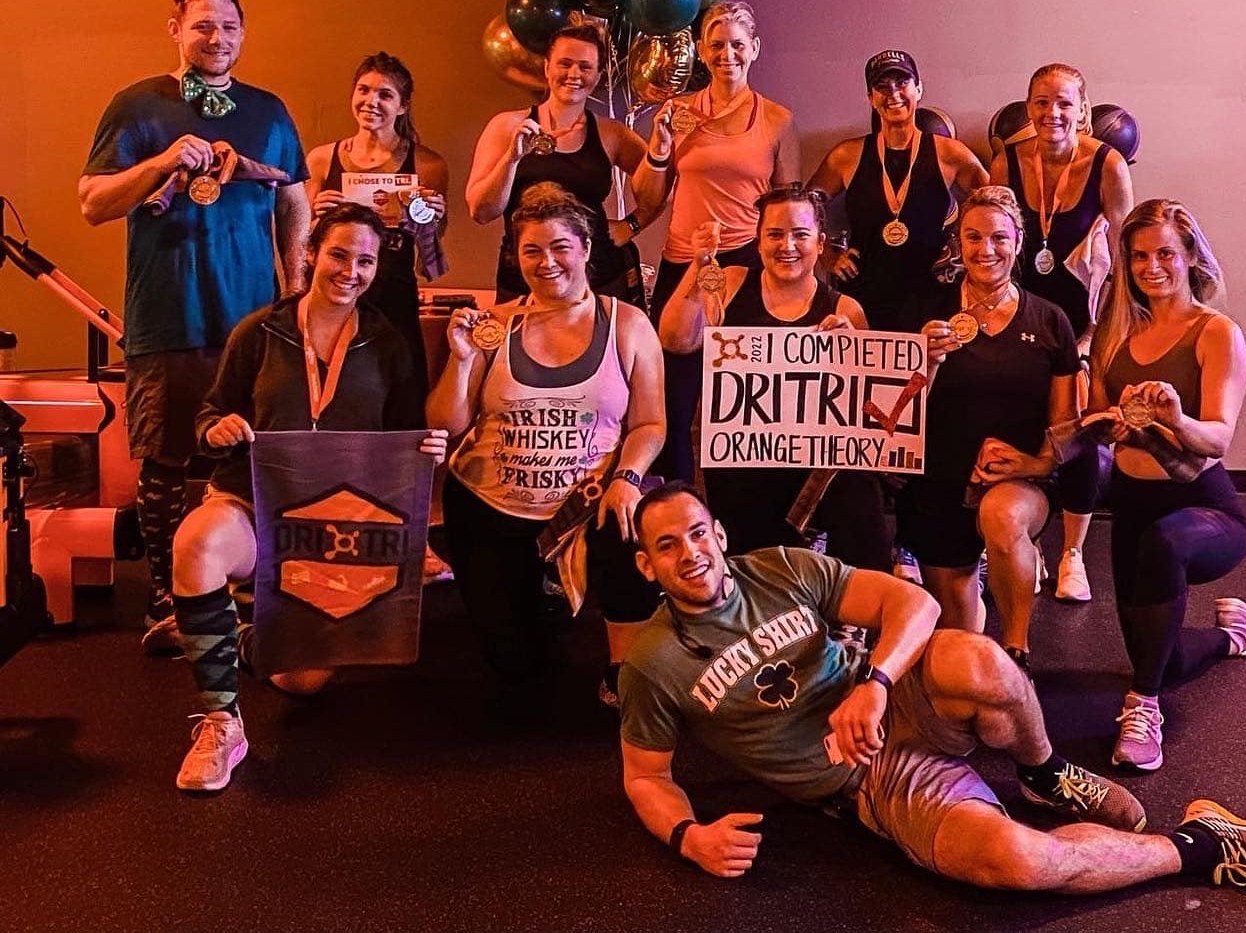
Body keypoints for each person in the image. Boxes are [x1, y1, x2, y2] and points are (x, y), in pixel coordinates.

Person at [619, 483, 1246, 894]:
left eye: (697, 534)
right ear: (648, 565)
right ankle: (1206, 844)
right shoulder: (653, 661)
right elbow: (646, 776)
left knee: (976, 657)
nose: (690, 554)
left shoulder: (778, 569)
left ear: (718, 534)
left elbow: (913, 603)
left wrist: (876, 681)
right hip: (867, 781)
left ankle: (1044, 774)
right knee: (1017, 862)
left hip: (893, 701)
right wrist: (689, 837)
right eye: (668, 546)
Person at [168, 203, 447, 792]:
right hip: (254, 503)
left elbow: (405, 439)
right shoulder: (259, 331)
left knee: (303, 681)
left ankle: (215, 629)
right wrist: (216, 429)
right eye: (338, 255)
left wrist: (428, 449)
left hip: (332, 528)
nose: (351, 271)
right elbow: (211, 414)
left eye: (365, 261)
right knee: (196, 542)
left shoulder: (388, 343)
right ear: (311, 253)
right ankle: (222, 723)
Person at [79, 0, 310, 655]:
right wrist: (160, 162)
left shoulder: (267, 110)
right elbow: (93, 202)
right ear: (175, 29)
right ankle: (167, 599)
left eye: (230, 27)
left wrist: (296, 288)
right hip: (168, 313)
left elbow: (295, 199)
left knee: (250, 454)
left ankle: (244, 591)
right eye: (204, 25)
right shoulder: (138, 105)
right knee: (166, 459)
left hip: (253, 320)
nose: (218, 38)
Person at [427, 184, 665, 706]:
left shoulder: (628, 325)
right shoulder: (495, 325)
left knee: (633, 521)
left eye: (560, 247)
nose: (547, 262)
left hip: (589, 503)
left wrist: (627, 479)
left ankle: (623, 669)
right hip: (492, 508)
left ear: (586, 248)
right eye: (531, 250)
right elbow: (447, 423)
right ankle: (541, 602)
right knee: (519, 675)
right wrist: (461, 361)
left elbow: (650, 424)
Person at [1089, 199, 1246, 772]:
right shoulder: (1115, 331)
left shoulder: (1216, 332)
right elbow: (1098, 414)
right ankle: (1237, 634)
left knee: (1166, 546)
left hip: (1205, 510)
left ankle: (1143, 708)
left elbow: (1218, 438)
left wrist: (1175, 418)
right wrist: (1104, 423)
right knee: (1164, 659)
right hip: (1133, 506)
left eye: (1165, 254)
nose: (1151, 267)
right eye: (1138, 257)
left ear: (1191, 256)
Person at [658, 183, 890, 571]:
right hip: (742, 459)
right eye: (775, 234)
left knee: (858, 488)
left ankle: (862, 596)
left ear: (820, 242)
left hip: (815, 464)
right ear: (758, 239)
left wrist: (853, 353)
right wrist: (699, 265)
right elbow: (675, 339)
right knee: (751, 556)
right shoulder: (730, 282)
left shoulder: (845, 309)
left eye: (800, 235)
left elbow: (871, 415)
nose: (787, 246)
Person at [904, 186, 1078, 673]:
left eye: (999, 238)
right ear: (958, 243)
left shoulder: (1050, 320)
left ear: (1018, 241)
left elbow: (1066, 426)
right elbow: (894, 415)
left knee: (1001, 516)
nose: (986, 250)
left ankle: (1017, 655)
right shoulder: (925, 311)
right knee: (960, 643)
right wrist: (924, 360)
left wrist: (1034, 464)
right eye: (973, 237)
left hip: (1020, 481)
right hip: (940, 479)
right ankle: (979, 659)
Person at [991, 62, 1134, 605]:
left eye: (1064, 103)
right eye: (1041, 102)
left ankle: (1073, 552)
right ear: (1028, 107)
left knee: (1077, 435)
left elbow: (1123, 263)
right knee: (1014, 425)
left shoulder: (1107, 164)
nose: (1052, 113)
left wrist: (1098, 338)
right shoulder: (1006, 160)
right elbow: (993, 244)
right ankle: (1023, 541)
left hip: (1081, 324)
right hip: (1022, 319)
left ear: (1083, 109)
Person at [644, 2, 801, 484]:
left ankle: (741, 506)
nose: (727, 54)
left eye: (737, 44)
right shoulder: (677, 114)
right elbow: (648, 196)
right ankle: (675, 500)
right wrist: (658, 150)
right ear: (700, 50)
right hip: (684, 261)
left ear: (754, 49)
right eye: (716, 45)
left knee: (743, 401)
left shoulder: (777, 119)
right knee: (672, 398)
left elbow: (788, 205)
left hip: (747, 266)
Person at [467, 22, 667, 305]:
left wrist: (632, 225)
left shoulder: (611, 134)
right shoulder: (506, 126)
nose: (574, 74)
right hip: (525, 277)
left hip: (599, 278)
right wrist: (512, 158)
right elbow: (481, 211)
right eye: (565, 63)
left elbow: (662, 182)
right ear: (547, 67)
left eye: (585, 67)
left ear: (597, 76)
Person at [808, 49, 988, 335]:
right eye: (882, 86)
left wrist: (963, 250)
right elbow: (805, 207)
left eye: (902, 82)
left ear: (919, 89)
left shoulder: (950, 154)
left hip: (933, 295)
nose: (893, 93)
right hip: (865, 295)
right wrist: (826, 254)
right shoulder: (846, 156)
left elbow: (996, 208)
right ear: (871, 97)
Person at [305, 53, 450, 400]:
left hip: (393, 295)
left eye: (385, 94)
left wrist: (432, 217)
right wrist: (316, 214)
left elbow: (432, 246)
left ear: (402, 106)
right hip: (335, 293)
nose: (371, 101)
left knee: (399, 394)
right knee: (332, 390)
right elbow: (304, 241)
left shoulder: (428, 164)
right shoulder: (321, 159)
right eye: (364, 90)